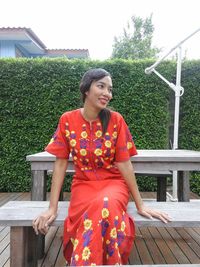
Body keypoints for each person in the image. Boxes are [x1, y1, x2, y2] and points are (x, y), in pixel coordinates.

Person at [32, 68, 171, 266]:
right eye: (101, 86)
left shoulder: (116, 120)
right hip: (83, 187)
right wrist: (51, 208)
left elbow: (124, 163)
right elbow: (61, 163)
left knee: (105, 204)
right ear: (86, 89)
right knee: (100, 209)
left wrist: (140, 204)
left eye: (110, 89)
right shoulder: (67, 120)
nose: (107, 93)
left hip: (113, 185)